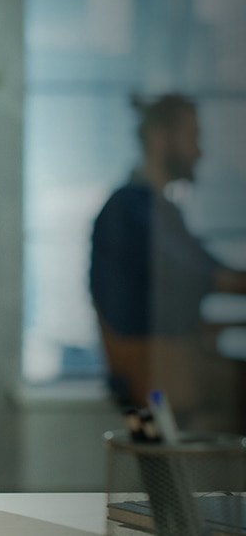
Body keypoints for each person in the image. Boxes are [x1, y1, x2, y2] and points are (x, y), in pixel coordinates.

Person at [90, 94, 246, 431]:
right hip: (162, 371)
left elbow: (208, 271)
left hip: (179, 361)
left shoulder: (161, 211)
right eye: (192, 138)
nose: (199, 152)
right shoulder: (130, 210)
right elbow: (201, 275)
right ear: (161, 138)